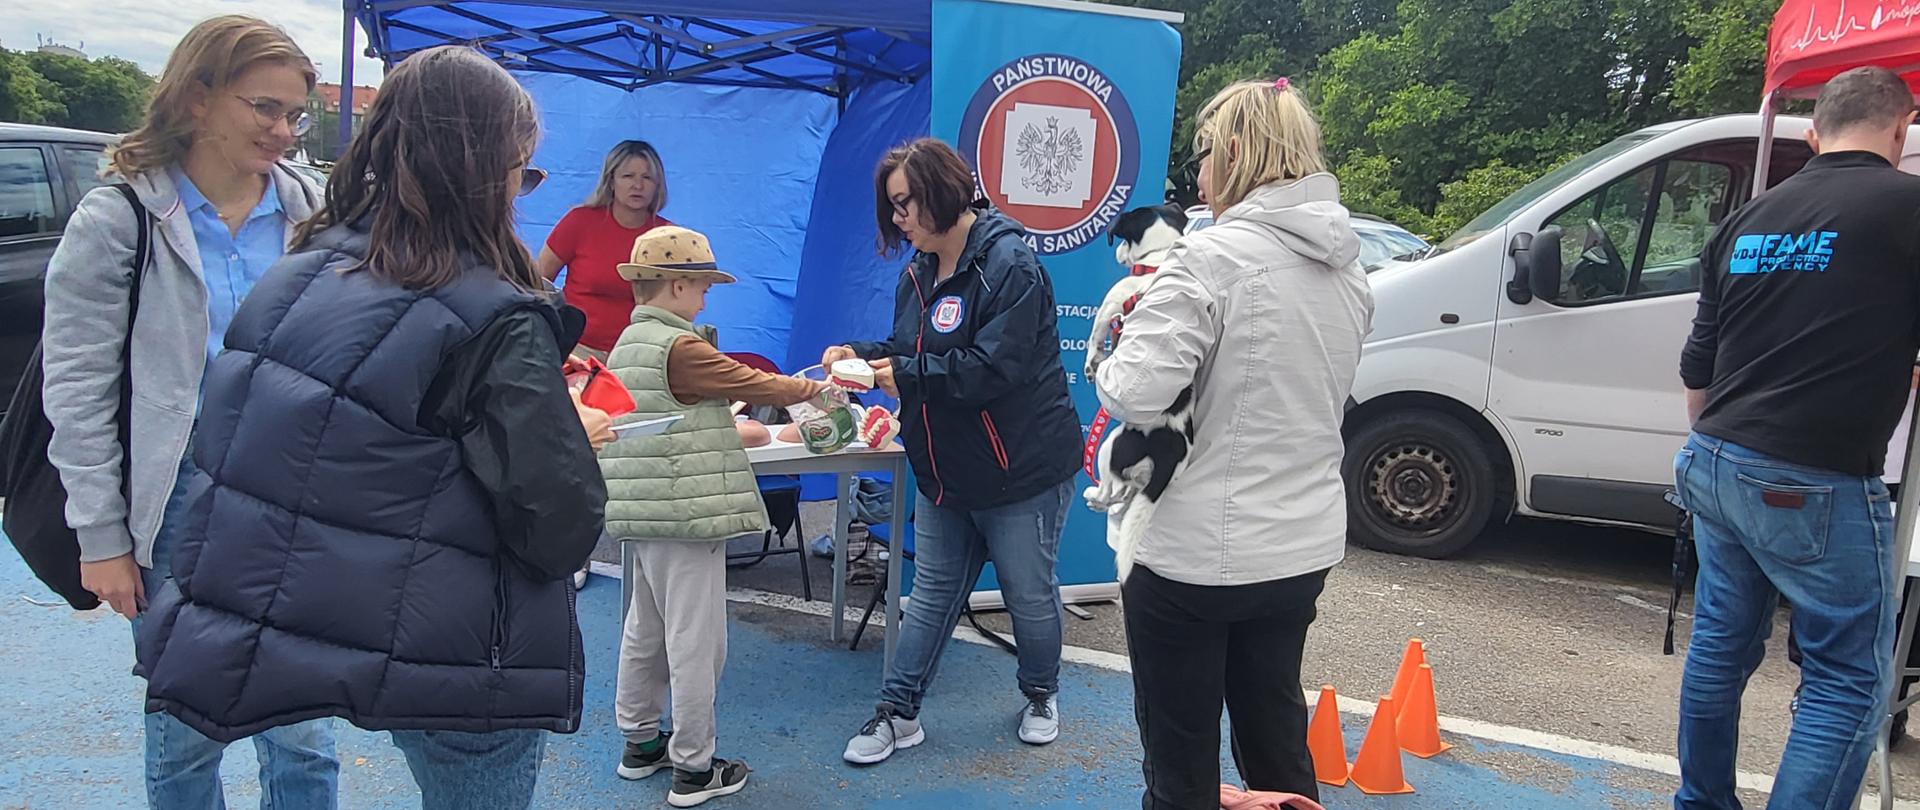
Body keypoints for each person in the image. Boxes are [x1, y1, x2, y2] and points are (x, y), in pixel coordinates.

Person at [134, 45, 614, 810]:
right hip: (455, 648)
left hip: (312, 619)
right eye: (520, 171)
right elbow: (559, 528)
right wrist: (567, 435)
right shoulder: (494, 313)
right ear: (484, 169)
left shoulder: (301, 269)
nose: (519, 192)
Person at [38, 15, 340, 808]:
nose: (283, 131)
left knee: (305, 735)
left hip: (296, 502)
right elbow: (78, 390)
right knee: (185, 732)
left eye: (294, 115)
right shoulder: (120, 218)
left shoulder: (316, 213)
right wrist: (103, 537)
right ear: (197, 98)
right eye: (264, 108)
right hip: (180, 503)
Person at [1092, 78, 1373, 809]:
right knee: (1276, 732)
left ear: (1238, 151)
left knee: (1181, 759)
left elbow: (1133, 392)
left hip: (1193, 554)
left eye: (1206, 155)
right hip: (1300, 544)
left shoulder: (1207, 259)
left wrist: (1113, 347)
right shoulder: (1348, 270)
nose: (1199, 177)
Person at [1674, 65, 1920, 810]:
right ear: (1902, 128)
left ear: (1813, 134)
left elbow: (1698, 364)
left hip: (1715, 453)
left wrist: (1727, 453)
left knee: (1721, 646)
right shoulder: (1908, 208)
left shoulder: (1749, 217)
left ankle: (1701, 801)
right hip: (1815, 473)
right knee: (1847, 678)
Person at [826, 137, 1083, 765]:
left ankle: (1041, 694)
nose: (898, 218)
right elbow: (908, 348)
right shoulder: (917, 273)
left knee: (1028, 595)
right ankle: (898, 713)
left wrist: (900, 374)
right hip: (944, 472)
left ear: (942, 193)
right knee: (932, 595)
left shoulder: (1010, 264)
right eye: (891, 206)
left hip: (1021, 470)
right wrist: (861, 355)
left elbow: (993, 369)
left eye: (905, 202)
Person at [599, 225, 827, 807]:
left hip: (646, 509)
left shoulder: (629, 341)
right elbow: (752, 382)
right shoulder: (681, 346)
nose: (705, 300)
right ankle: (694, 766)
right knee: (696, 643)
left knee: (645, 631)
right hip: (688, 512)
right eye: (702, 287)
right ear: (677, 285)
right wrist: (811, 390)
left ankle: (640, 741)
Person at [537, 139, 673, 589]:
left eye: (647, 177)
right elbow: (537, 281)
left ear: (658, 185)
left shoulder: (667, 238)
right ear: (610, 180)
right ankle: (575, 552)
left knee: (641, 453)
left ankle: (649, 549)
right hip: (581, 358)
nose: (638, 185)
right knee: (577, 456)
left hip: (642, 358)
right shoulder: (580, 222)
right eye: (628, 175)